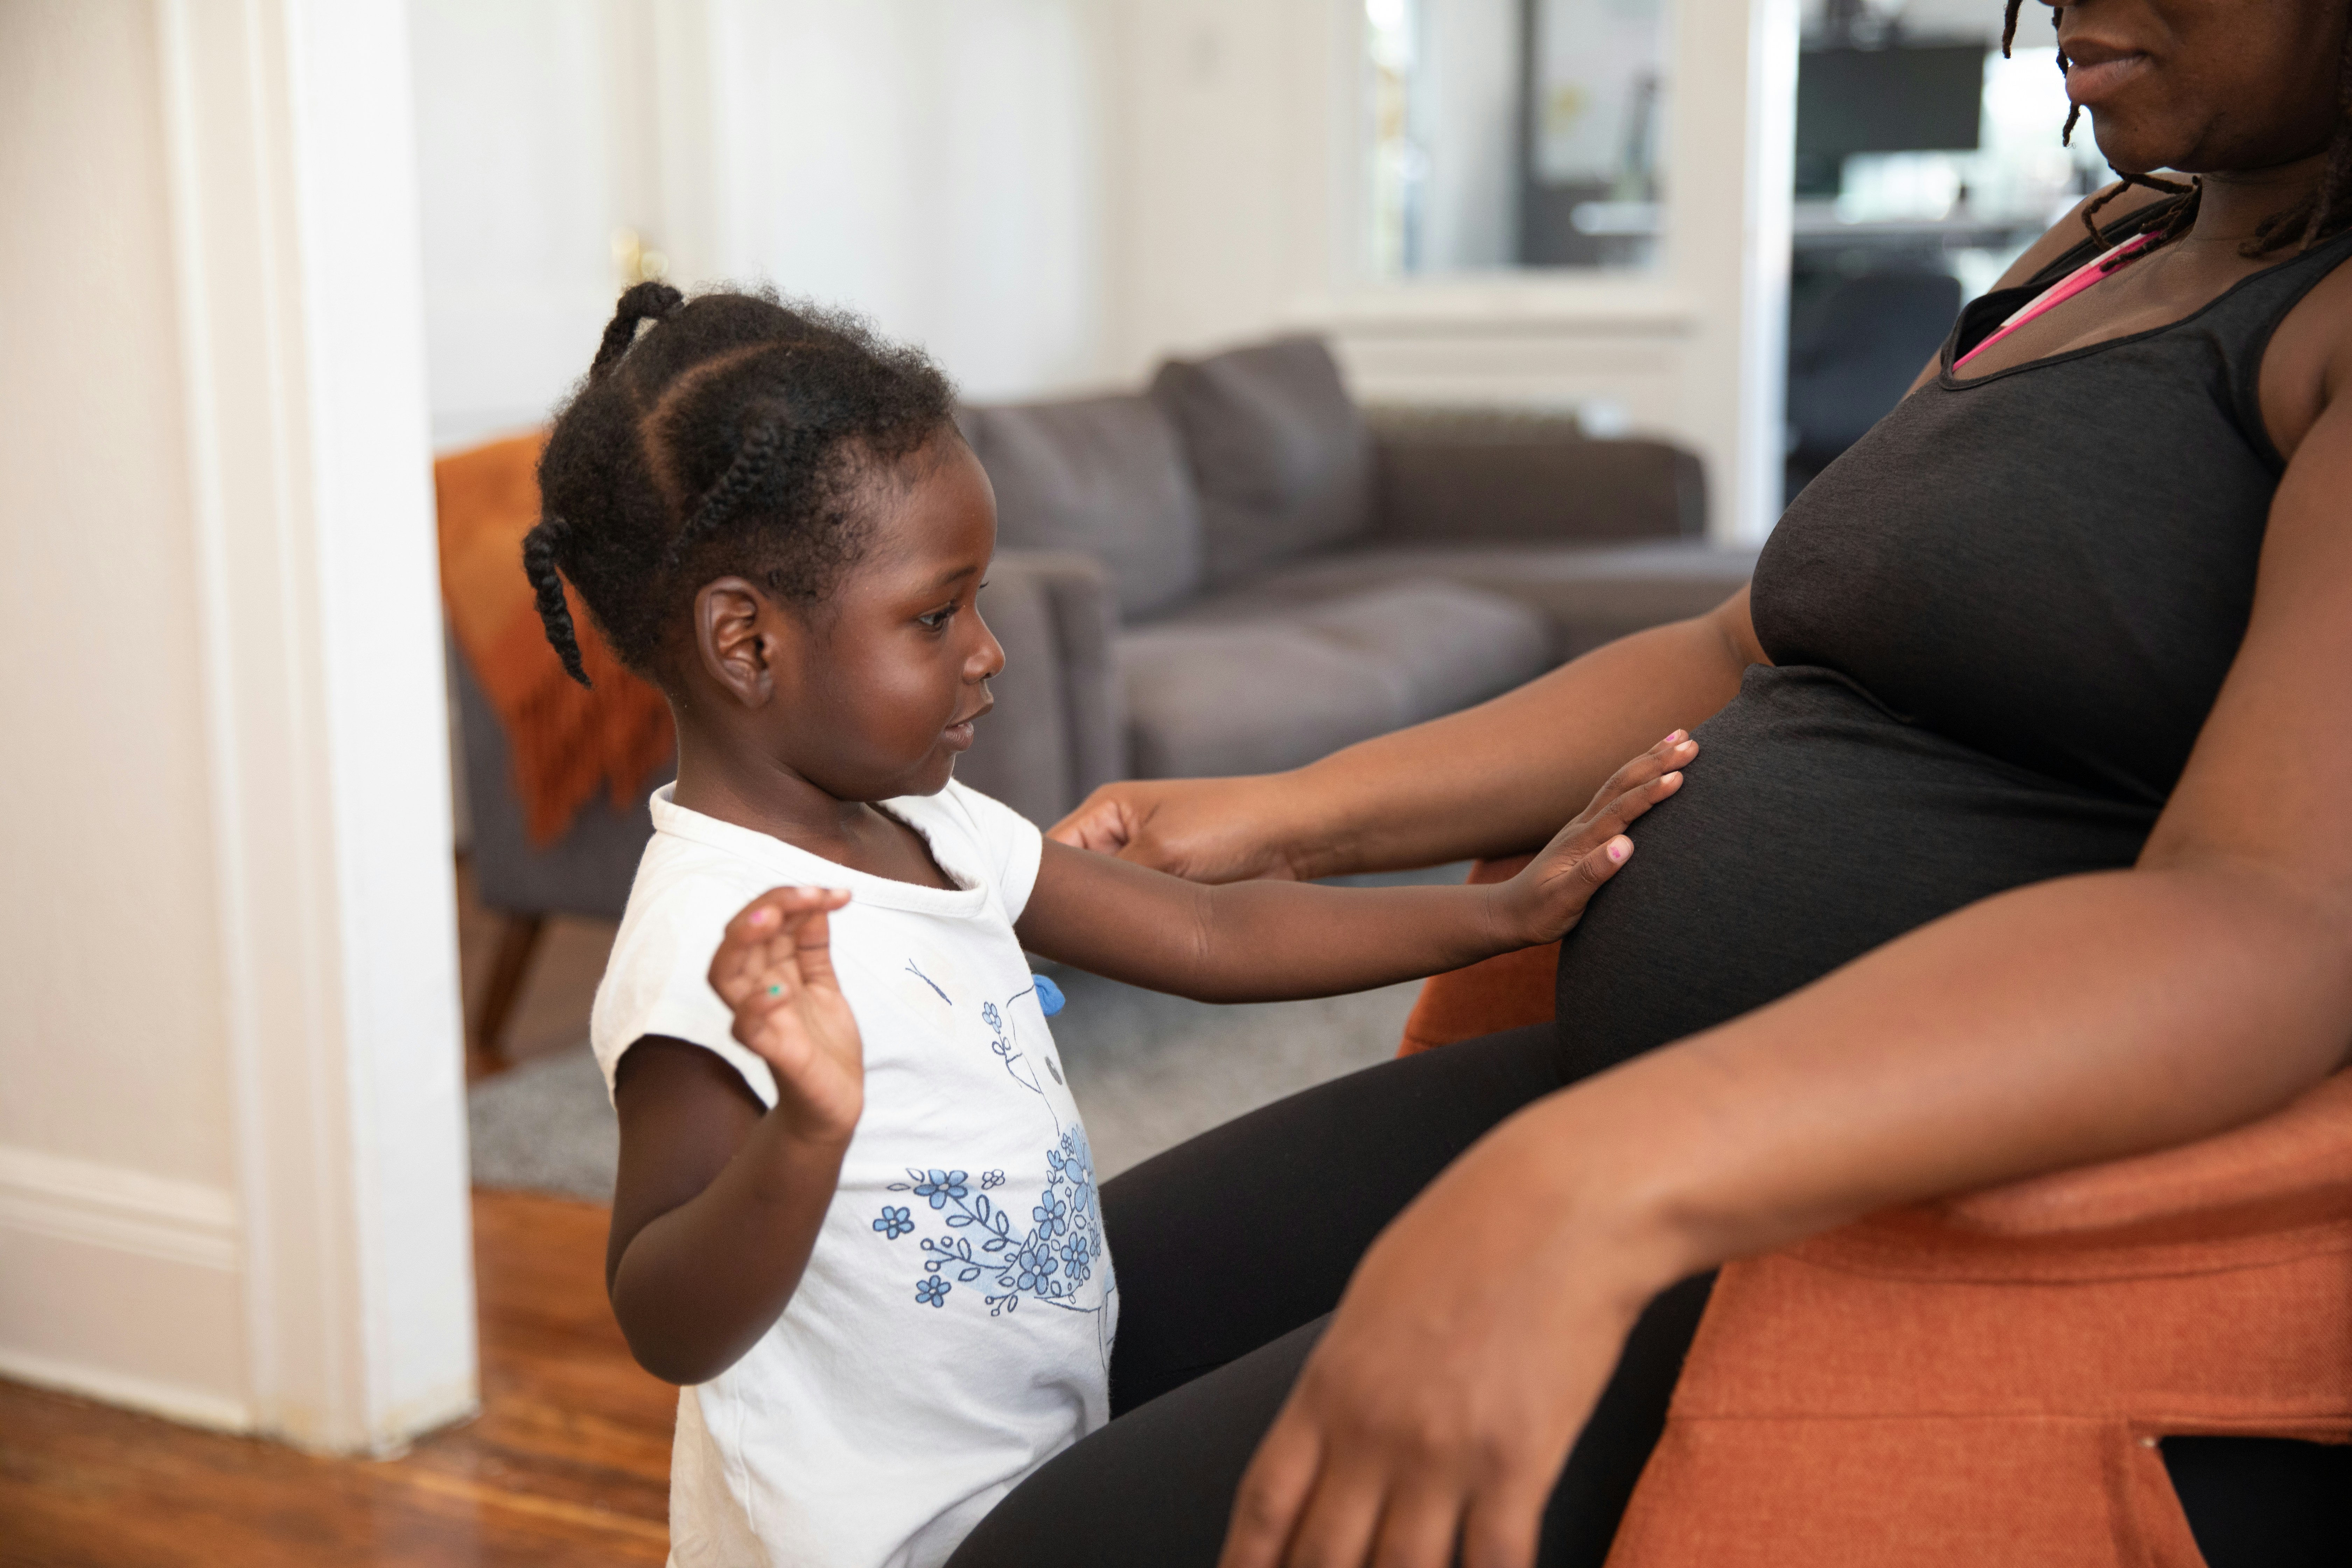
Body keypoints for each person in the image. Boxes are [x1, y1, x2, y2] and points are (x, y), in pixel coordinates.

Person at [943, 2, 2352, 1566]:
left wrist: (1601, 1182)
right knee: (1009, 1338)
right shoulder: (2095, 245)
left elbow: (2278, 914)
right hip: (1619, 1092)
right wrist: (1292, 808)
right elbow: (1744, 643)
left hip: (1874, 1197)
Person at [524, 283, 1690, 1568]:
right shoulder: (713, 940)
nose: (989, 652)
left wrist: (1503, 917)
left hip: (1033, 1443)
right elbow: (668, 1323)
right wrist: (810, 1131)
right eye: (935, 614)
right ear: (747, 640)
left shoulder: (932, 823)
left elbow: (1206, 936)